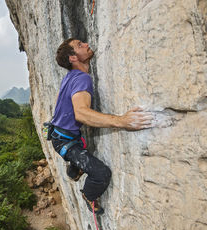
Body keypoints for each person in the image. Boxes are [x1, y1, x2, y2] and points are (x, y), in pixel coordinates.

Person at [50, 38, 153, 214]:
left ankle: (74, 170)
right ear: (73, 58)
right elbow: (81, 113)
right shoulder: (81, 78)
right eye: (79, 46)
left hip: (60, 134)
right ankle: (88, 195)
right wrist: (121, 121)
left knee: (80, 151)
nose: (86, 44)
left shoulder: (70, 77)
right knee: (101, 174)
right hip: (65, 141)